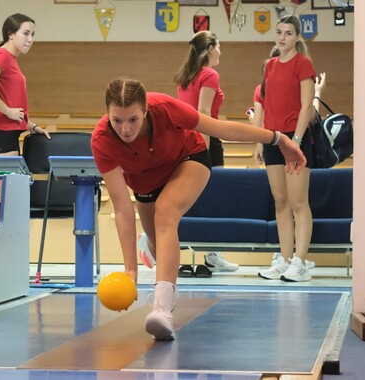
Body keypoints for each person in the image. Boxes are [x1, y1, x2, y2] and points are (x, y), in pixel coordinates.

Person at [91, 78, 306, 340]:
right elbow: (123, 208)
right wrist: (130, 270)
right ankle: (167, 292)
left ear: (145, 110)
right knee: (158, 242)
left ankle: (161, 309)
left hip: (188, 159)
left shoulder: (166, 109)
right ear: (107, 115)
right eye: (117, 120)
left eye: (133, 119)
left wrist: (278, 138)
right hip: (144, 181)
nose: (125, 129)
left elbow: (224, 130)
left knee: (165, 213)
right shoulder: (102, 140)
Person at [171, 30, 239, 277]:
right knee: (213, 195)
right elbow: (203, 112)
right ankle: (212, 254)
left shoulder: (184, 76)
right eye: (219, 47)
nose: (220, 51)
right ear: (210, 49)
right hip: (204, 138)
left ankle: (206, 252)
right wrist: (207, 149)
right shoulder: (210, 74)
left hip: (185, 140)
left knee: (187, 196)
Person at [255, 15, 316, 282]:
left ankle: (301, 262)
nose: (282, 37)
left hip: (295, 138)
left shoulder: (303, 64)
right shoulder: (268, 66)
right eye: (279, 32)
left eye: (288, 33)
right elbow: (266, 106)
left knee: (298, 202)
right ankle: (286, 259)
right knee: (280, 202)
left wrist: (297, 142)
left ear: (296, 37)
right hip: (273, 138)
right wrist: (260, 140)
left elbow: (306, 106)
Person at [0, 13, 50, 156]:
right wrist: (9, 111)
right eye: (25, 33)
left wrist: (33, 127)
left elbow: (13, 107)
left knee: (16, 178)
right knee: (11, 178)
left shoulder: (10, 59)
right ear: (10, 34)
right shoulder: (2, 55)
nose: (30, 39)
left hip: (7, 133)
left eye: (32, 35)